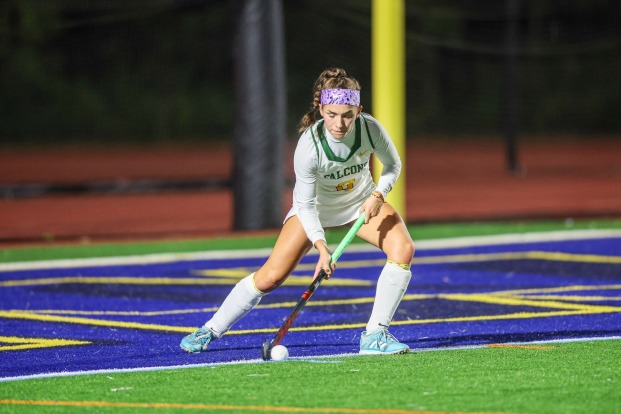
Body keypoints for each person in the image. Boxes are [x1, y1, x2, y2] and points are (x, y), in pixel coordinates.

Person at [181, 67, 415, 355]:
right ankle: (211, 329)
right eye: (331, 114)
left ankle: (375, 335)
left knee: (403, 248)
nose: (339, 123)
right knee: (270, 277)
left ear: (359, 110)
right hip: (314, 209)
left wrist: (378, 194)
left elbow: (393, 165)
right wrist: (322, 248)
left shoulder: (370, 128)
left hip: (361, 202)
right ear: (321, 109)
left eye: (347, 115)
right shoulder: (309, 147)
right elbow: (304, 204)